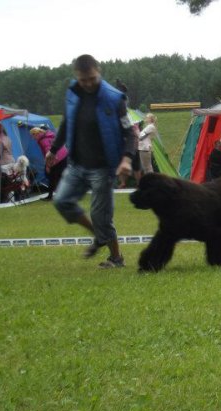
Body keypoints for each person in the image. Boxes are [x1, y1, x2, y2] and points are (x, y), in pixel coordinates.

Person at [47, 54, 134, 268]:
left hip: (104, 167)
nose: (87, 84)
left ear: (99, 72)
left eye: (92, 79)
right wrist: (53, 150)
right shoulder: (73, 93)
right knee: (62, 201)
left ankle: (116, 258)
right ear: (76, 76)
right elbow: (66, 123)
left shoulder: (115, 98)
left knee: (100, 215)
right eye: (83, 80)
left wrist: (126, 160)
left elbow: (130, 133)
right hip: (76, 163)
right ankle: (97, 235)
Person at [30, 127, 68, 200]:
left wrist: (48, 166)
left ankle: (51, 196)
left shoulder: (43, 140)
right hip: (64, 155)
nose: (32, 138)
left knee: (51, 176)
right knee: (59, 176)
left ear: (36, 134)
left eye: (32, 135)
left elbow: (49, 153)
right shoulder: (48, 135)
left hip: (58, 158)